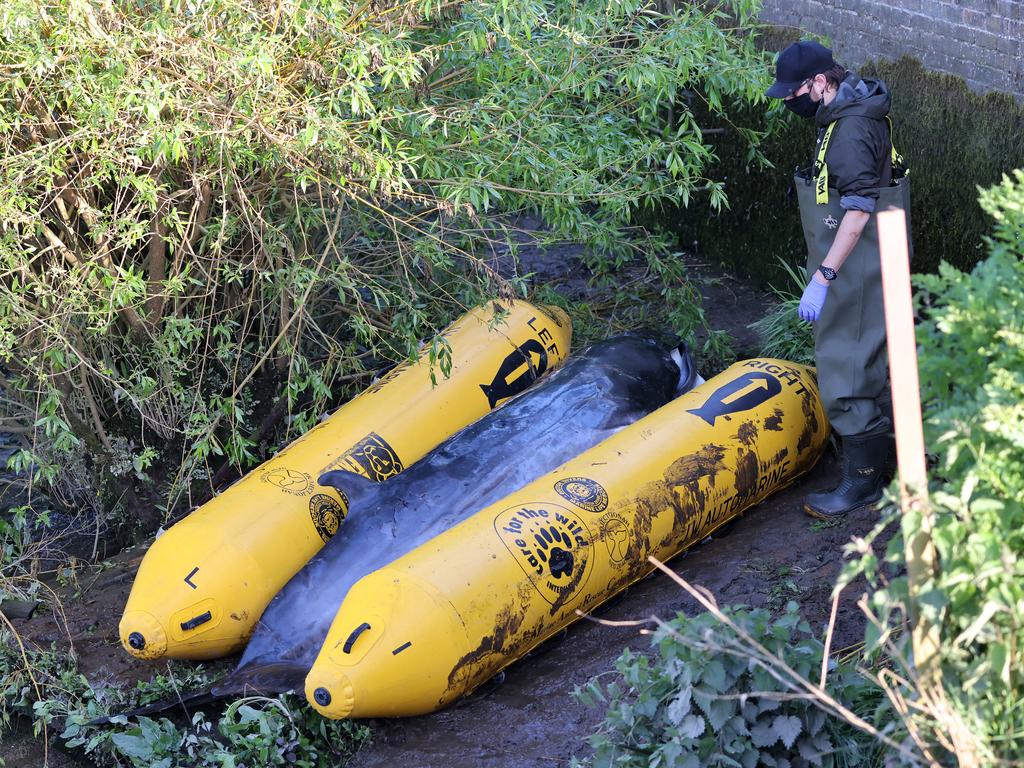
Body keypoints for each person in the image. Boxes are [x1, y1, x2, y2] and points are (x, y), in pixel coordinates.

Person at [765, 40, 912, 520]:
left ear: (820, 83)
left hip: (857, 262)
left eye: (794, 94)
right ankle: (889, 457)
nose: (790, 102)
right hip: (875, 255)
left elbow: (859, 206)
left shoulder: (849, 130)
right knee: (874, 352)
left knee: (846, 361)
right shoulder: (854, 105)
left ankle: (862, 484)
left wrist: (825, 275)